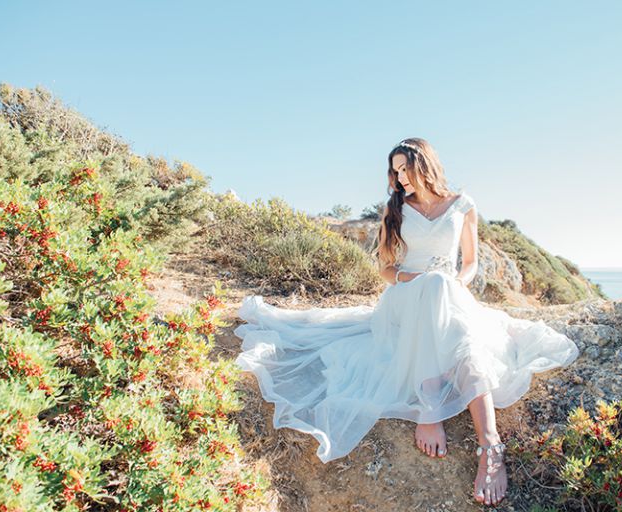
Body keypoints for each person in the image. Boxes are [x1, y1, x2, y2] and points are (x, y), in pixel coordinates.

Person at [233, 137, 580, 506]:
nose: (400, 178)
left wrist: (453, 287)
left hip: (449, 293)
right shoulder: (395, 208)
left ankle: (488, 445)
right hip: (404, 298)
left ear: (425, 165)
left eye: (405, 169)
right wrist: (412, 281)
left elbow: (470, 263)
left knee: (464, 341)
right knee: (435, 296)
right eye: (395, 171)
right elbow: (385, 268)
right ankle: (445, 416)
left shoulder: (463, 204)